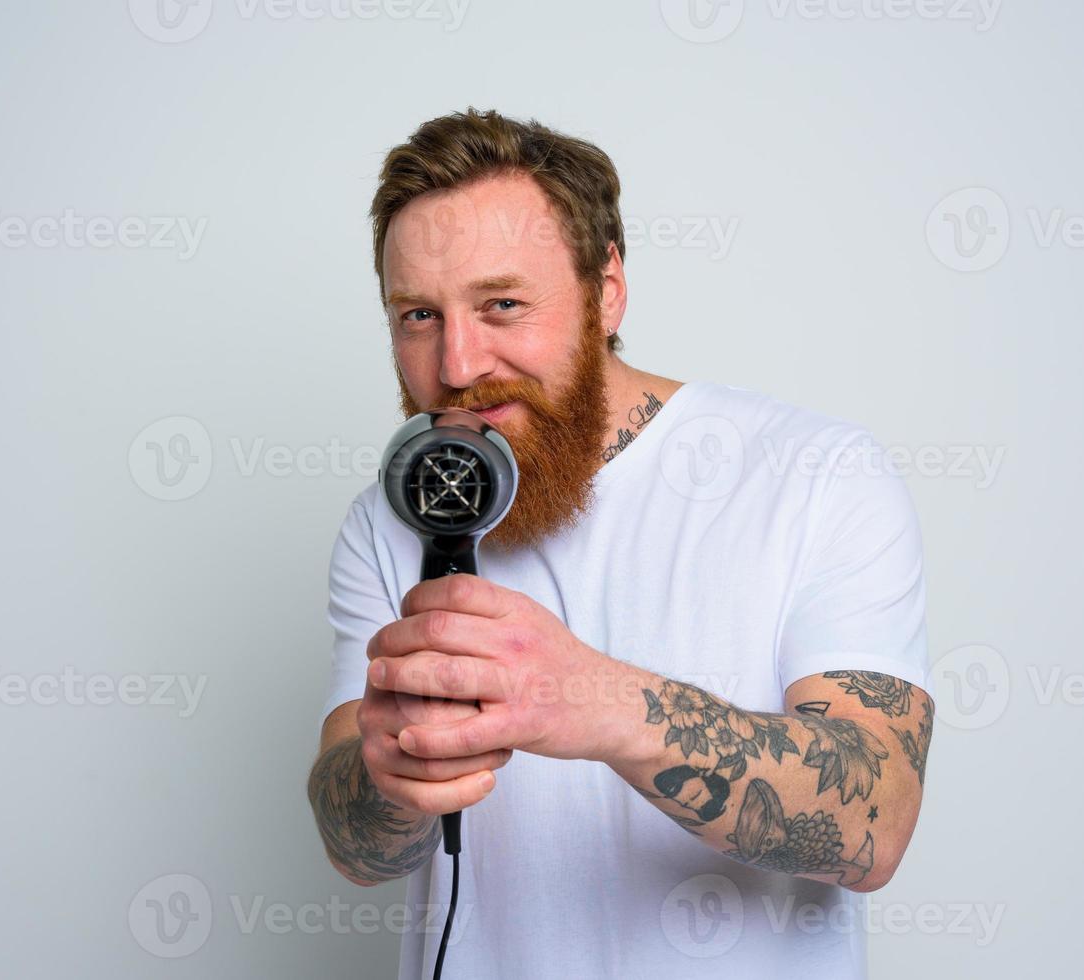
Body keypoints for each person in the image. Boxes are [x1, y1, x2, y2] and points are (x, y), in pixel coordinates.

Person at [307, 107, 934, 980]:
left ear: (606, 292)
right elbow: (356, 851)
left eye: (502, 305)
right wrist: (381, 778)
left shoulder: (813, 473)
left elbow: (873, 824)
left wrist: (593, 701)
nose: (455, 365)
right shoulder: (387, 520)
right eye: (417, 315)